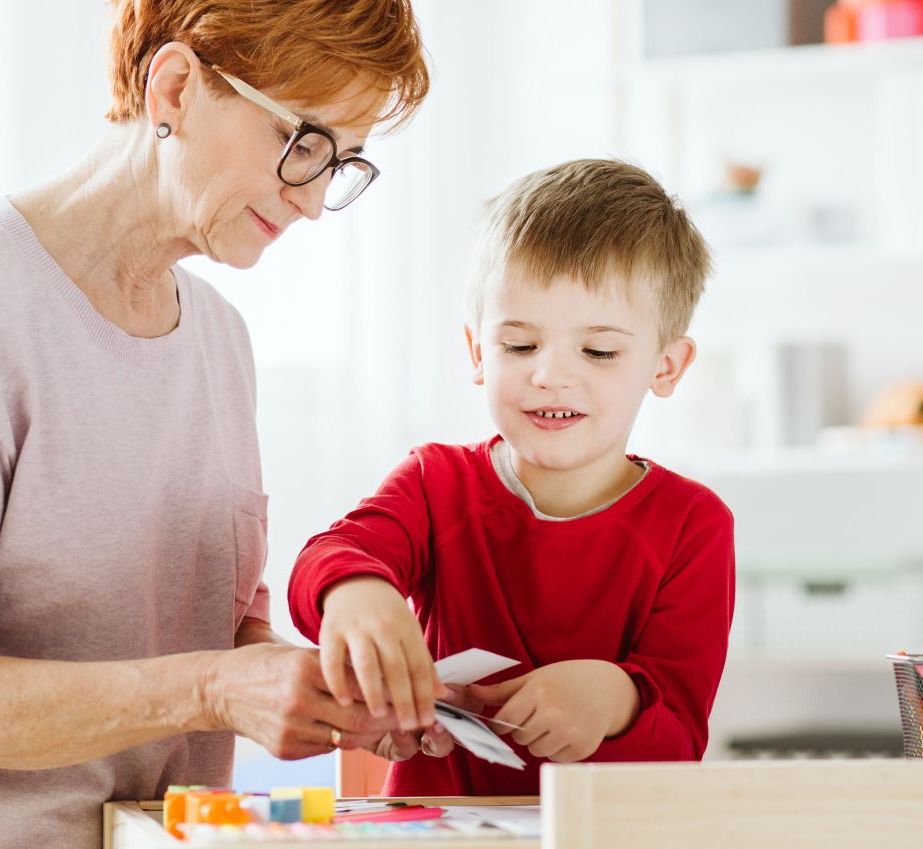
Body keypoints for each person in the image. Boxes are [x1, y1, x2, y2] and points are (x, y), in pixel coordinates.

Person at [0, 1, 429, 846]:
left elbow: (209, 630)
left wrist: (330, 692)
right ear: (173, 87)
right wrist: (213, 688)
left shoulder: (219, 342)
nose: (311, 202)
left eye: (340, 163)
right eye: (302, 143)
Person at [288, 159, 735, 795]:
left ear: (666, 366)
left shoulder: (693, 525)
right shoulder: (435, 483)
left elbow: (679, 747)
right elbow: (328, 556)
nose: (550, 375)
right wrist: (356, 591)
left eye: (599, 351)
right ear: (477, 351)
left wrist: (615, 700)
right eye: (519, 346)